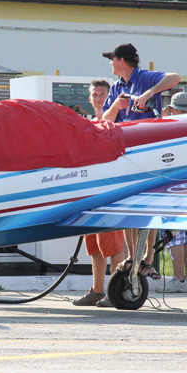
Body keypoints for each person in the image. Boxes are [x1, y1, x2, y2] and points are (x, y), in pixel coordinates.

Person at [100, 44, 179, 281]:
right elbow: (104, 119)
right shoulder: (116, 87)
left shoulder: (145, 78)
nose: (110, 63)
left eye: (112, 59)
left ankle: (148, 258)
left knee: (150, 203)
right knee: (128, 205)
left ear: (121, 61)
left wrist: (148, 94)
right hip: (125, 152)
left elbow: (174, 77)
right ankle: (133, 256)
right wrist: (116, 106)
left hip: (150, 150)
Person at [74, 79, 127, 307]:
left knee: (113, 244)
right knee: (94, 244)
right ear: (89, 98)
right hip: (90, 191)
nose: (98, 98)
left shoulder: (114, 122)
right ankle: (97, 290)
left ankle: (116, 292)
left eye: (102, 95)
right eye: (95, 95)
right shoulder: (86, 124)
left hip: (109, 191)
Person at [156, 91, 187, 293]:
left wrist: (162, 119)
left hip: (173, 185)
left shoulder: (171, 127)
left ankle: (179, 279)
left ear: (172, 109)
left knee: (174, 235)